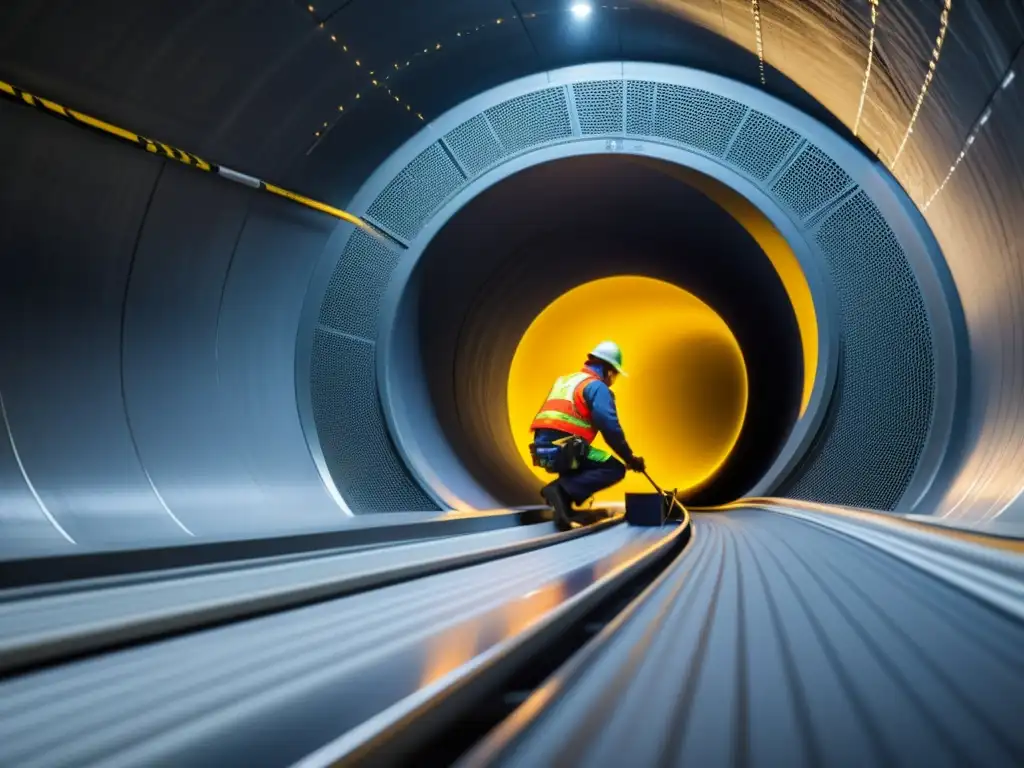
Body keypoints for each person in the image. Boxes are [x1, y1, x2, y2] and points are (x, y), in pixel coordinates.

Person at [529, 340, 645, 530]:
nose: (612, 379)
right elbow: (610, 427)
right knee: (614, 468)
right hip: (566, 448)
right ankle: (559, 489)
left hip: (543, 448)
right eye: (614, 375)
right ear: (608, 370)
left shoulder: (566, 381)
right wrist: (629, 458)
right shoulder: (597, 387)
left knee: (580, 456)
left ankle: (566, 508)